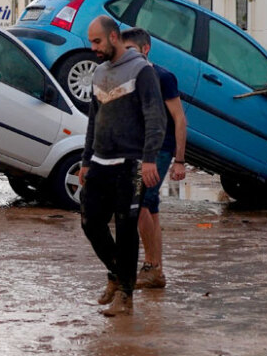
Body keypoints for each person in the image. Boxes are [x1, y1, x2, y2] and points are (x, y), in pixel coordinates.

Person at [79, 16, 166, 316]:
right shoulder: (99, 73)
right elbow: (93, 120)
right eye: (91, 42)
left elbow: (157, 117)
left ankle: (126, 296)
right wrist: (85, 160)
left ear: (113, 37)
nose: (93, 48)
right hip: (100, 163)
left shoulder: (142, 71)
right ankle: (118, 275)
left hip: (131, 164)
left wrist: (150, 159)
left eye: (97, 41)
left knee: (127, 229)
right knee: (90, 222)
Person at [121, 27, 187, 290]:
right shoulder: (127, 77)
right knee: (150, 209)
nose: (125, 56)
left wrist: (179, 160)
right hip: (137, 151)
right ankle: (156, 271)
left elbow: (180, 118)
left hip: (159, 150)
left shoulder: (162, 77)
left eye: (130, 51)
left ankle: (150, 267)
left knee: (140, 207)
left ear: (145, 49)